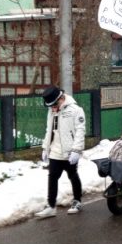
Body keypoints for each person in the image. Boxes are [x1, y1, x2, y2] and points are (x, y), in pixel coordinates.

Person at [35, 86, 86, 218]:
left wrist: (76, 150)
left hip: (70, 152)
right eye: (50, 106)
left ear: (61, 99)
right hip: (55, 151)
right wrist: (45, 148)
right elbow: (49, 130)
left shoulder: (76, 110)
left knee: (72, 175)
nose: (52, 108)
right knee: (52, 177)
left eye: (54, 105)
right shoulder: (51, 111)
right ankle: (51, 206)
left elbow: (80, 131)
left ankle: (77, 201)